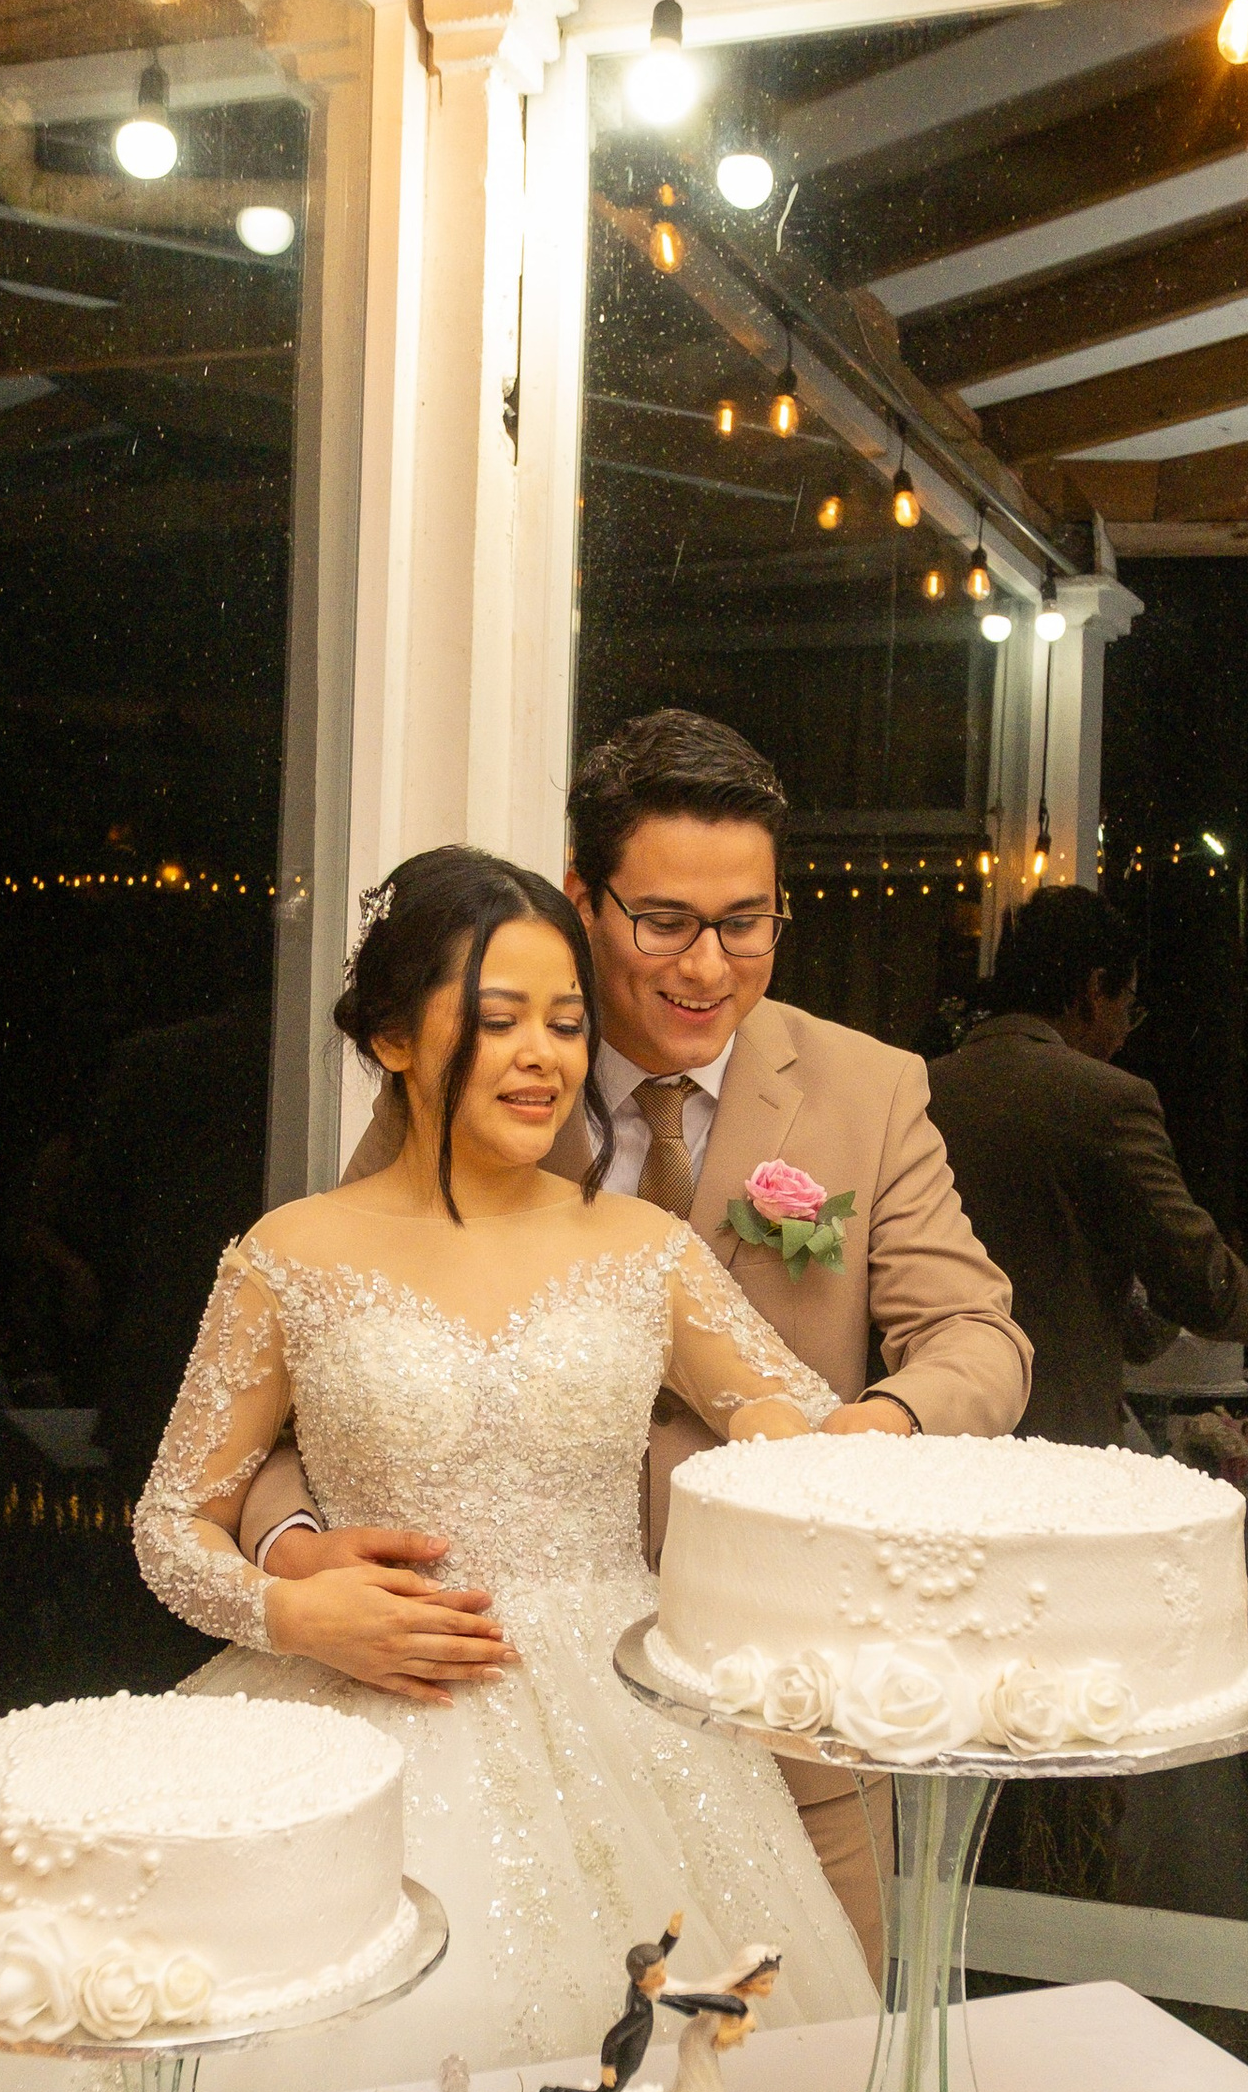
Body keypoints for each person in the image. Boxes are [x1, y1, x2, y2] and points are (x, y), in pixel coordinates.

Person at [0, 847, 875, 2092]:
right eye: (496, 1019)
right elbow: (171, 1519)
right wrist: (294, 1614)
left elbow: (803, 1433)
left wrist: (805, 1455)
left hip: (628, 1722)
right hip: (354, 1724)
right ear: (391, 1039)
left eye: (566, 1023)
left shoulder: (646, 1249)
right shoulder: (293, 1257)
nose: (541, 1056)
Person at [239, 712, 1031, 1955]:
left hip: (782, 1695)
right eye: (663, 921)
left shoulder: (866, 1088)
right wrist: (293, 1550)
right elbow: (325, 1363)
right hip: (498, 1709)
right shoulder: (473, 1068)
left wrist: (855, 1436)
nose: (706, 966)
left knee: (803, 2074)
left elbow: (979, 1339)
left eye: (745, 923)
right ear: (583, 901)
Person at [926, 886, 1248, 1445]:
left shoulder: (915, 1086)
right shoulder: (1108, 1101)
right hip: (1052, 1432)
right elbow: (1197, 1280)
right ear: (1092, 990)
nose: (1125, 1033)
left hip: (925, 1421)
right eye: (1127, 1006)